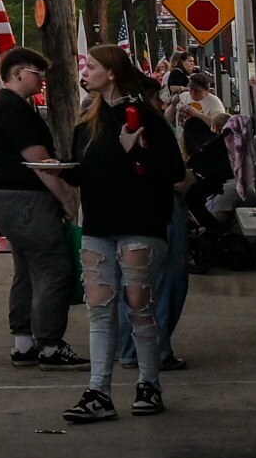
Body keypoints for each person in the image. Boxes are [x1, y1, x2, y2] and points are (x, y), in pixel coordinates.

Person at [60, 45, 184, 424]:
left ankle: (149, 383)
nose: (87, 71)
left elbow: (175, 173)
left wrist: (138, 154)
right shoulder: (88, 122)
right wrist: (59, 169)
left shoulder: (144, 117)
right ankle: (99, 390)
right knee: (99, 308)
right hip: (99, 223)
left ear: (111, 72)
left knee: (138, 304)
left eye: (93, 66)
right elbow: (84, 170)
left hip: (140, 222)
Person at [0, 46, 81, 369]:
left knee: (26, 271)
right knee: (54, 269)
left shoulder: (5, 106)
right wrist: (67, 199)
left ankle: (24, 343)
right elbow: (40, 164)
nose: (41, 81)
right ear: (18, 73)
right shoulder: (14, 109)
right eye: (38, 74)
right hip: (26, 200)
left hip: (8, 198)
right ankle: (50, 345)